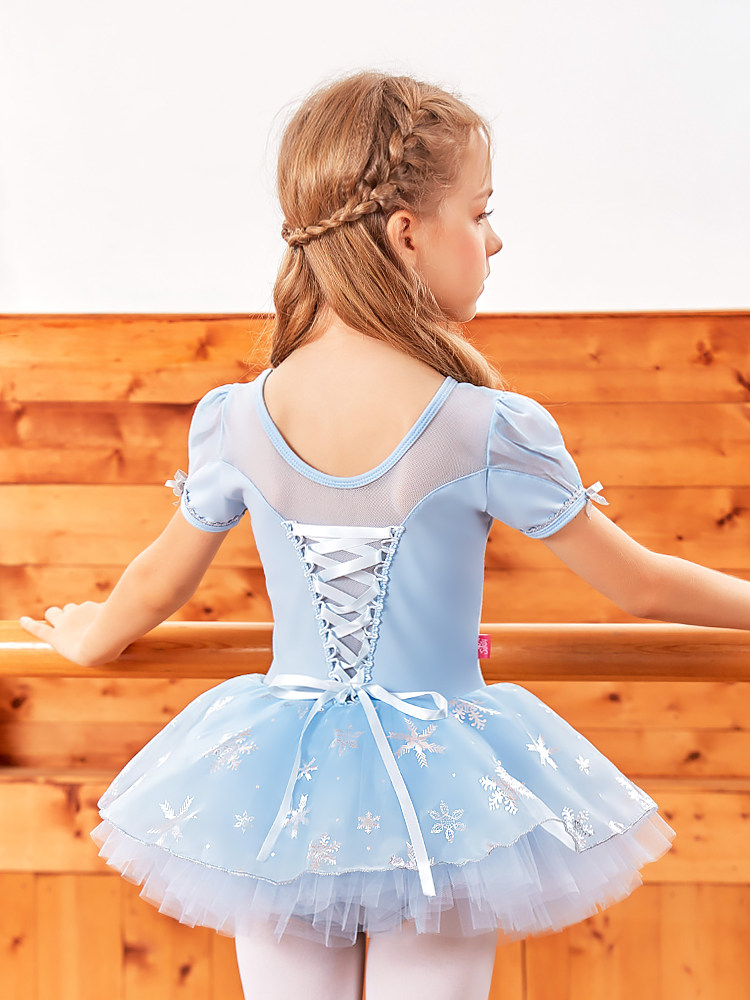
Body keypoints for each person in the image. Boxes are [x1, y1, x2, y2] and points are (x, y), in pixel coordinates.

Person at [19, 71, 750, 1000]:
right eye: (480, 212)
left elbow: (160, 582)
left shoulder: (238, 418)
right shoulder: (484, 426)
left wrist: (93, 636)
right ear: (407, 232)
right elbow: (641, 586)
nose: (495, 240)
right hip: (441, 790)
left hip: (281, 788)